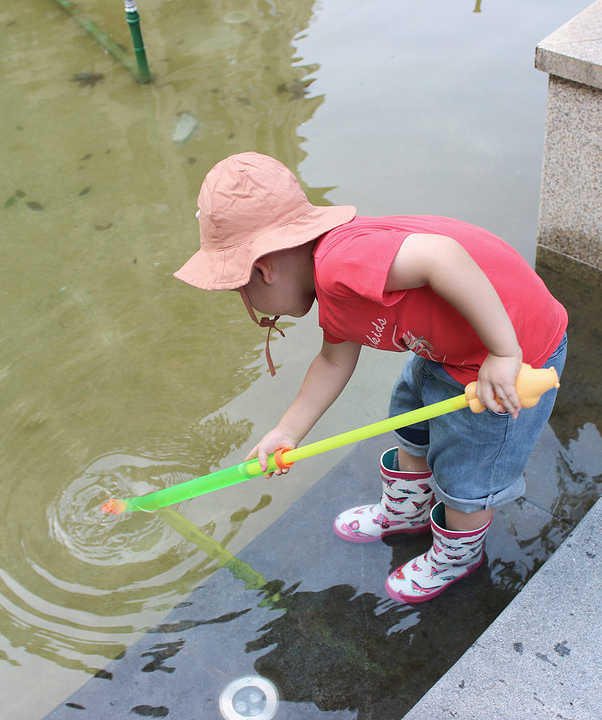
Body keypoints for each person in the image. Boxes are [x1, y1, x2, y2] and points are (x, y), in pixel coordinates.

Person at [174, 152, 568, 603]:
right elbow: (332, 362)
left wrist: (503, 351)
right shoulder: (332, 287)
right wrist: (286, 431)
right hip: (446, 348)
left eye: (242, 291)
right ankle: (410, 511)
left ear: (262, 270)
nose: (250, 303)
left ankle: (457, 557)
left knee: (468, 474)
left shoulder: (343, 261)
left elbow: (443, 254)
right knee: (409, 417)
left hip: (512, 358)